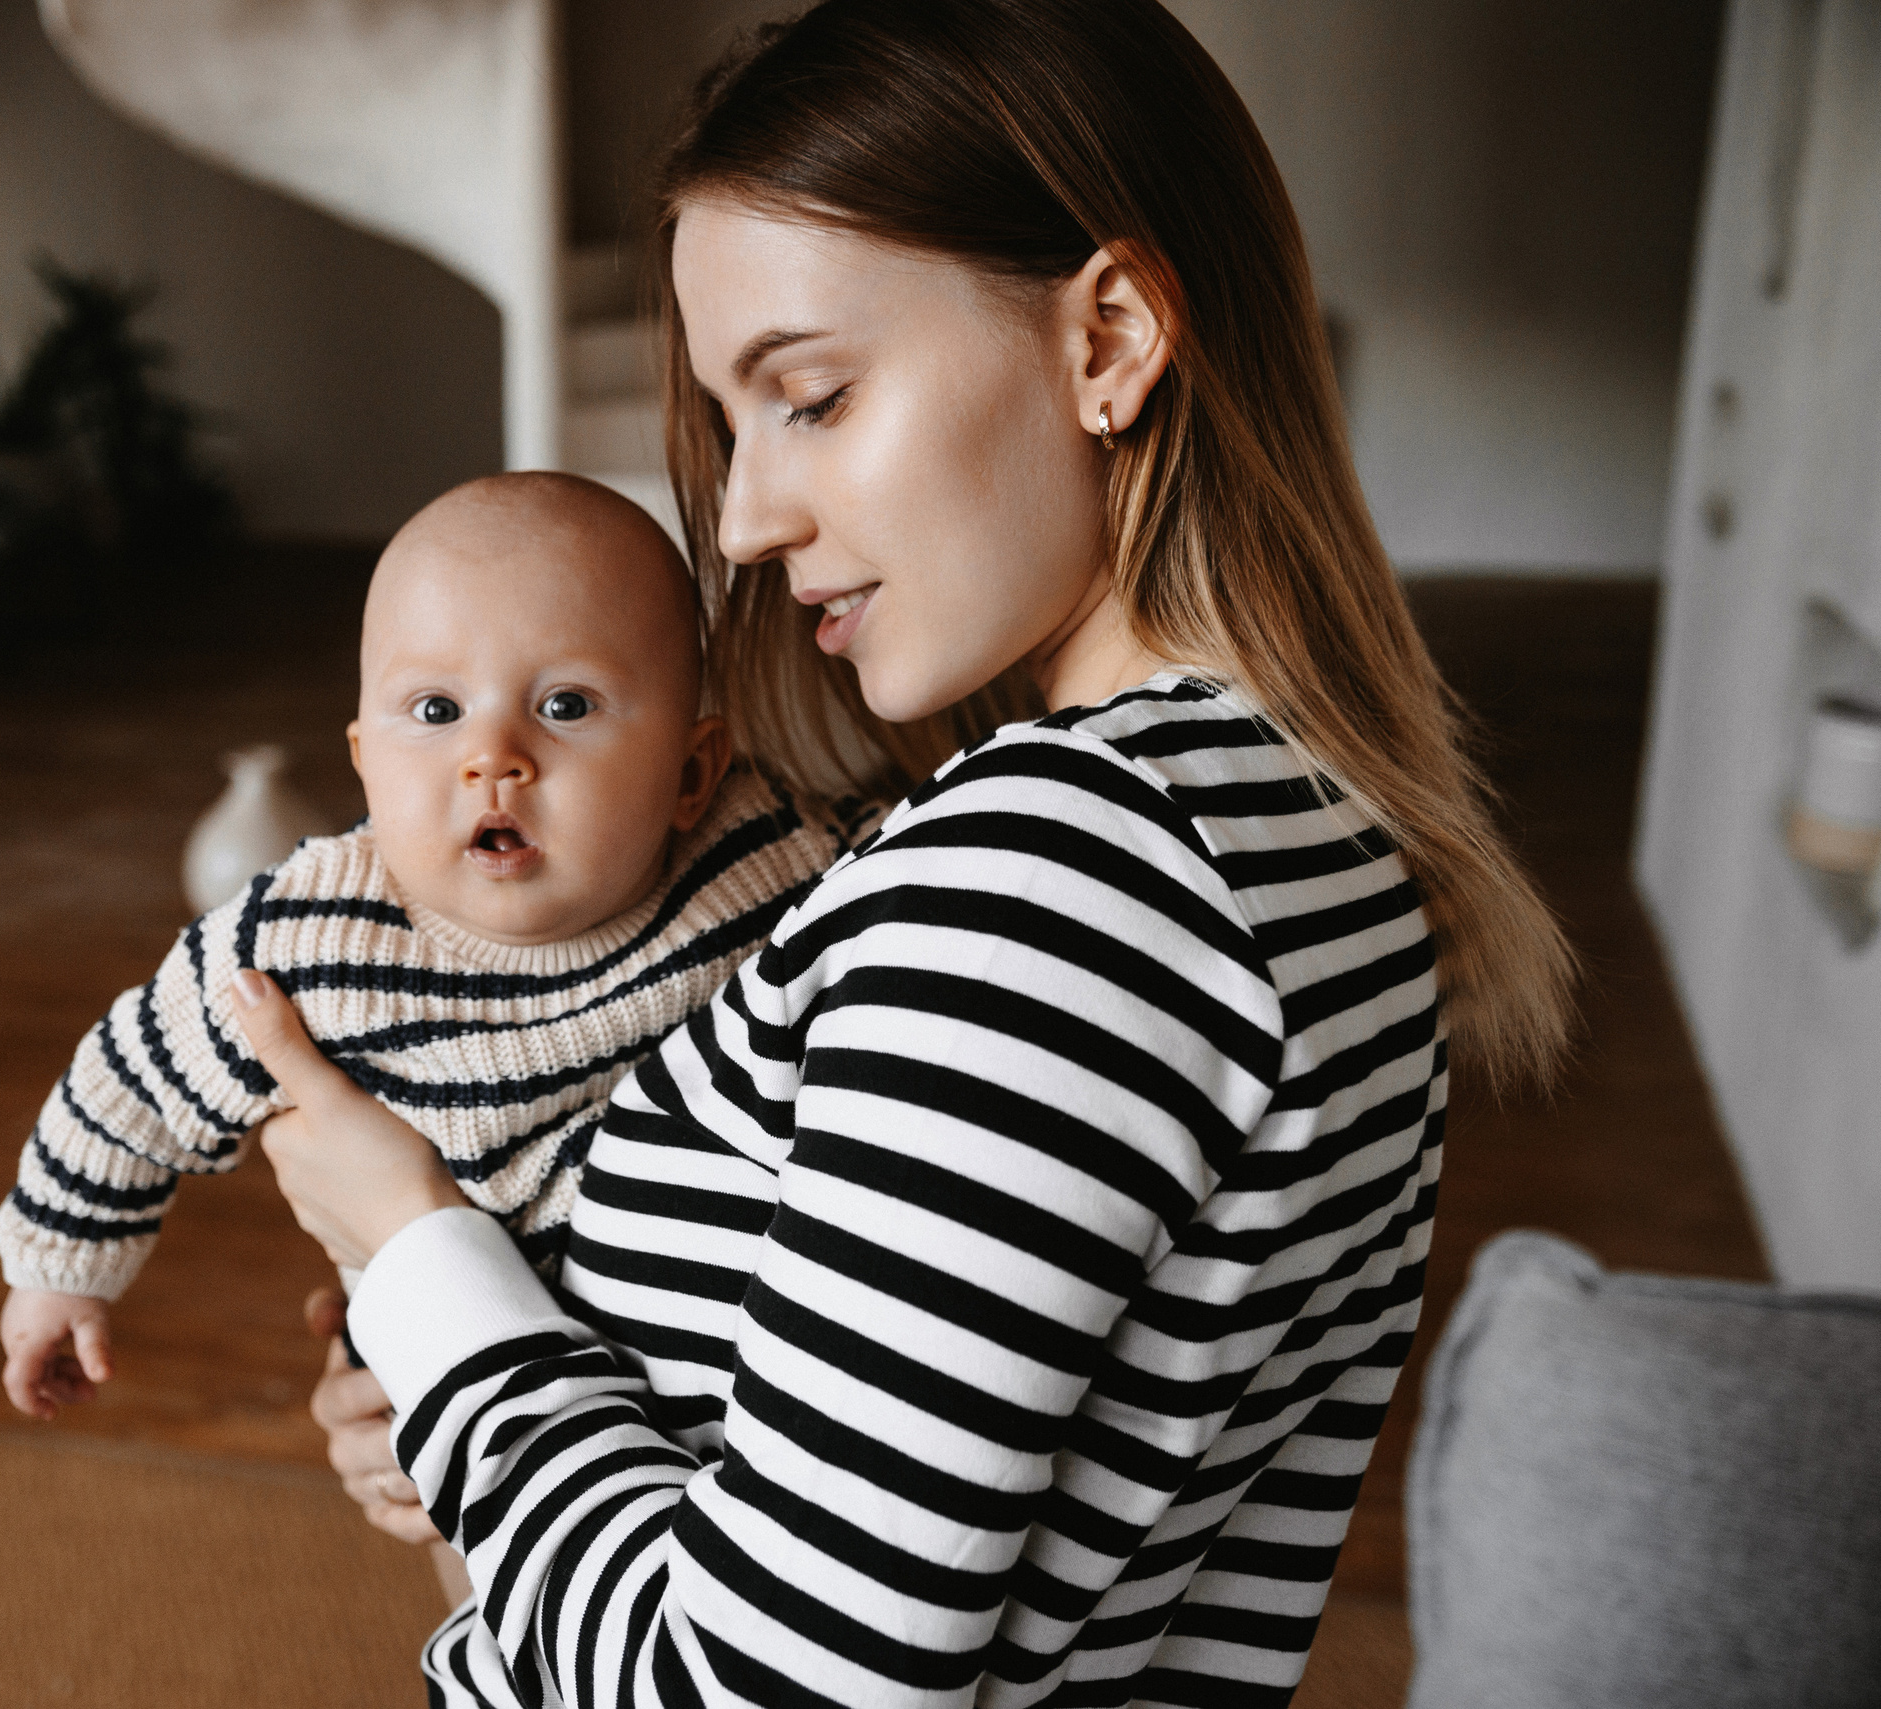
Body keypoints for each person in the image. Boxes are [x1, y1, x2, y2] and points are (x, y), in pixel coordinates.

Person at [236, 0, 1579, 1702]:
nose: (739, 516)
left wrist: (417, 1247)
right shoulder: (1307, 828)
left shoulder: (1060, 883)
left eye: (809, 394)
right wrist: (471, 1408)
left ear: (1107, 338)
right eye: (736, 423)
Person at [0, 472, 869, 1420]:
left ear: (693, 772)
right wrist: (59, 1273)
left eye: (566, 705)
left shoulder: (762, 853)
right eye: (437, 710)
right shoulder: (308, 935)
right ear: (366, 761)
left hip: (726, 1364)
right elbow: (131, 1082)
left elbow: (909, 868)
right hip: (456, 1374)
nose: (492, 756)